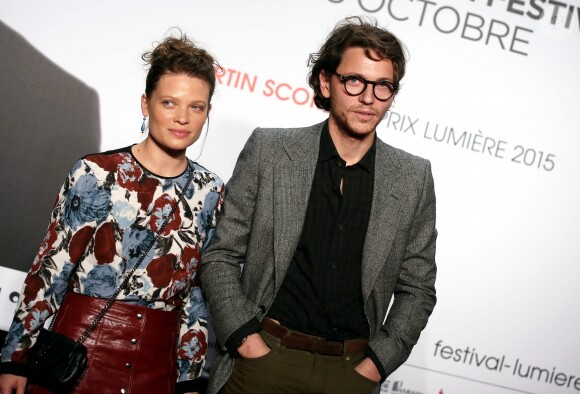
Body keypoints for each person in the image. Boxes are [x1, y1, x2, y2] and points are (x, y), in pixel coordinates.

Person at [200, 16, 437, 394]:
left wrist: (377, 364)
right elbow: (221, 254)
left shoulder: (413, 177)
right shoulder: (271, 151)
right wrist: (244, 337)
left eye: (383, 86)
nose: (368, 97)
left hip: (352, 374)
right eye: (355, 80)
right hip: (263, 362)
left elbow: (418, 288)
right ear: (326, 82)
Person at [0, 31, 223, 394]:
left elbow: (194, 293)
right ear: (145, 104)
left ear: (207, 113)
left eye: (196, 107)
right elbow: (52, 268)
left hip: (157, 366)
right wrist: (15, 357)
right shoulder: (96, 172)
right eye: (169, 102)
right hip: (77, 358)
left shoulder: (210, 190)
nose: (182, 117)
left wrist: (189, 378)